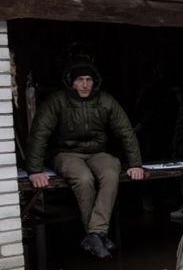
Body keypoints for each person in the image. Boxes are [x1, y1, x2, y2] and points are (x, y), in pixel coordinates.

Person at [25, 57, 144, 259]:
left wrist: (135, 164)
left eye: (89, 79)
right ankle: (99, 234)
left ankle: (95, 234)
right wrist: (35, 170)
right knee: (83, 178)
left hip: (97, 152)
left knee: (110, 171)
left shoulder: (105, 100)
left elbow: (126, 131)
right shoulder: (58, 101)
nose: (85, 84)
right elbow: (40, 133)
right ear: (71, 81)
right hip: (65, 153)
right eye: (80, 79)